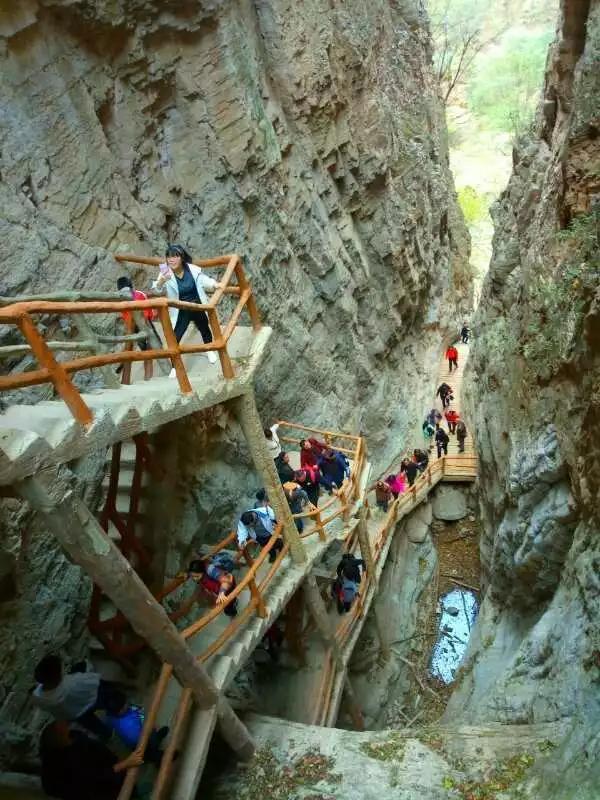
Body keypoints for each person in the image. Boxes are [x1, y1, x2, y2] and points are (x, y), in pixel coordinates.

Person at [151, 244, 221, 372]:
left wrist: (214, 284)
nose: (171, 260)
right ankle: (174, 367)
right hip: (181, 309)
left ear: (182, 258)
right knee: (175, 337)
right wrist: (161, 281)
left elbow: (204, 280)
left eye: (175, 256)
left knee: (204, 328)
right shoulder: (165, 271)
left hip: (196, 304)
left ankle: (209, 350)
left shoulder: (192, 269)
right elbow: (156, 289)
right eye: (169, 257)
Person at [32, 655, 114, 741]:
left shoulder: (37, 696)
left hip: (74, 714)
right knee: (104, 694)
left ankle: (107, 734)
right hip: (89, 701)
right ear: (58, 673)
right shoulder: (71, 683)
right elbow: (94, 681)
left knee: (92, 724)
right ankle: (115, 707)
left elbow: (44, 707)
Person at [39, 721, 124, 800]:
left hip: (112, 771)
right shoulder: (68, 762)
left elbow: (99, 750)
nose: (64, 723)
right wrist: (121, 765)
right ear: (60, 734)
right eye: (60, 726)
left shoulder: (76, 736)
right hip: (108, 787)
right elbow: (95, 777)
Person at [104, 690, 168, 766]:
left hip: (138, 736)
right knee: (150, 750)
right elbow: (143, 736)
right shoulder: (130, 730)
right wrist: (150, 726)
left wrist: (141, 715)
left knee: (152, 737)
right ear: (121, 711)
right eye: (126, 703)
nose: (128, 702)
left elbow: (137, 709)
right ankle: (159, 758)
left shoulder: (110, 715)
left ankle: (156, 743)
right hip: (142, 742)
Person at [116, 276, 157, 381]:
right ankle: (148, 378)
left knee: (129, 353)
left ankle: (125, 380)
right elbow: (149, 311)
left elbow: (124, 315)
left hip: (130, 327)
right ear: (131, 286)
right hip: (145, 325)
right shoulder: (139, 294)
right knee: (148, 352)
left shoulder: (120, 298)